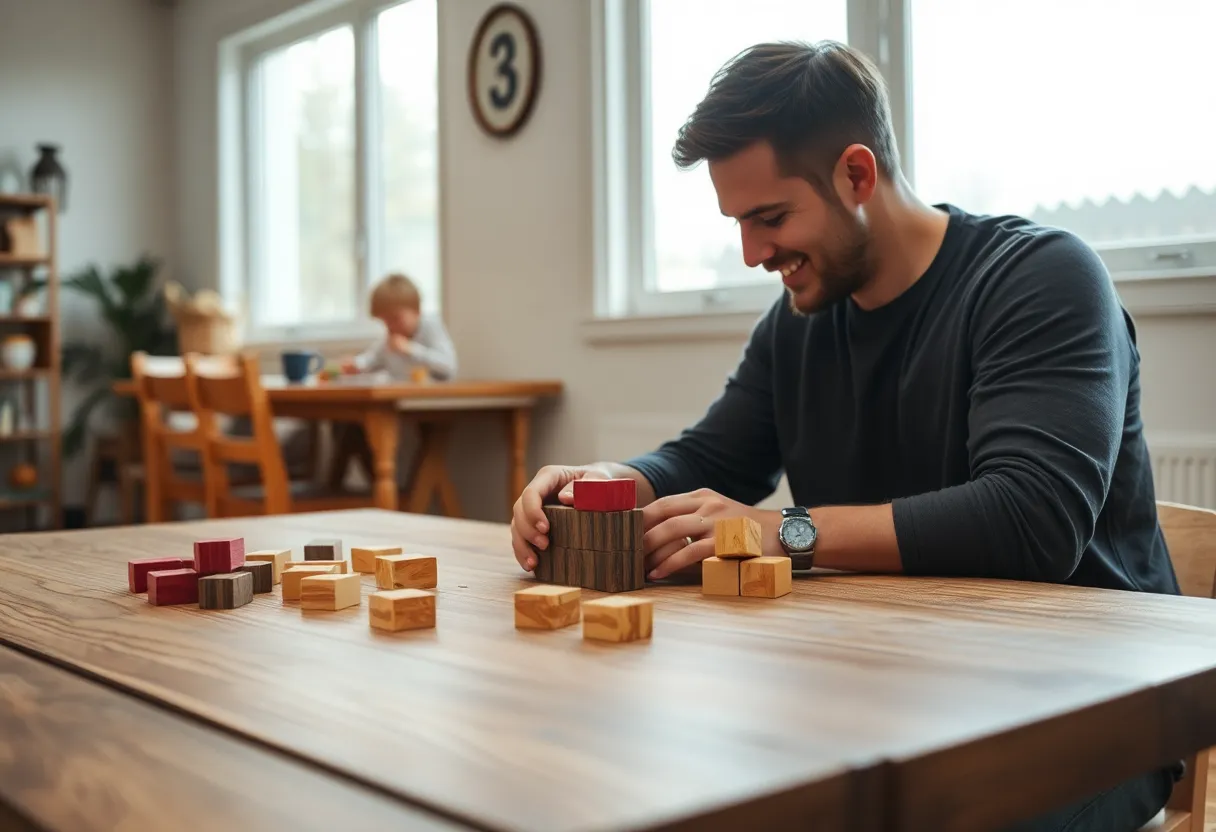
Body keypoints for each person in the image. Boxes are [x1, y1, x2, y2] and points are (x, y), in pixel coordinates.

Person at [509, 40, 1180, 831]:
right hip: (900, 690)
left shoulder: (1041, 278)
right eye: (739, 224)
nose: (754, 254)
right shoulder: (796, 325)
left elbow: (1033, 520)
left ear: (857, 176)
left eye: (770, 218)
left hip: (1094, 715)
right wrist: (603, 477)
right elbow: (708, 457)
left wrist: (780, 531)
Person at [341, 272, 457, 382]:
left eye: (395, 319)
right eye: (385, 321)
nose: (391, 326)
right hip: (399, 398)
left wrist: (411, 349)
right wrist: (355, 364)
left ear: (417, 311)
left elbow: (449, 366)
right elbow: (372, 358)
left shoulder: (430, 326)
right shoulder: (391, 338)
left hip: (430, 398)